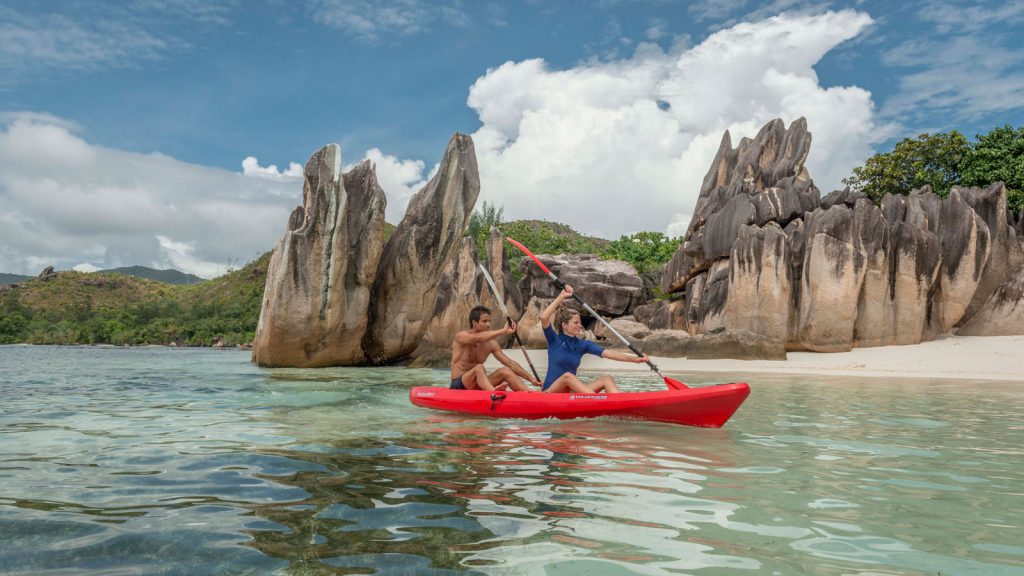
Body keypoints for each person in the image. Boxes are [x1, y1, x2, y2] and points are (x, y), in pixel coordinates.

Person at [539, 285, 649, 393]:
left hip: (569, 395)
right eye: (575, 323)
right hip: (550, 393)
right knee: (567, 376)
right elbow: (544, 317)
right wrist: (562, 296)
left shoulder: (582, 345)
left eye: (580, 323)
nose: (579, 325)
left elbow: (608, 353)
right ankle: (595, 400)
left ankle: (620, 404)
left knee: (607, 379)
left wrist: (635, 359)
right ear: (564, 325)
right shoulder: (554, 340)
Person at [450, 305, 543, 391]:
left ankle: (531, 394)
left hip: (480, 385)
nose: (488, 324)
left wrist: (532, 379)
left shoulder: (491, 344)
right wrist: (503, 331)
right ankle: (493, 392)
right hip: (459, 385)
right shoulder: (461, 337)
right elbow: (477, 338)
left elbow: (510, 364)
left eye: (489, 321)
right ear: (474, 322)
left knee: (505, 371)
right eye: (484, 321)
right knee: (478, 367)